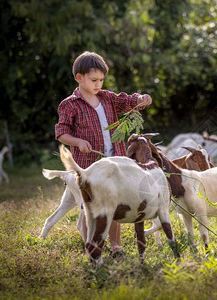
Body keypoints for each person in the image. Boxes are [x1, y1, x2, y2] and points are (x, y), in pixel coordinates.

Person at [55, 51, 152, 257]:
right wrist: (78, 141)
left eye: (101, 80)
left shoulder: (107, 98)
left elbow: (126, 101)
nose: (98, 84)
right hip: (88, 166)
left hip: (112, 161)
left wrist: (141, 99)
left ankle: (116, 247)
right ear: (79, 78)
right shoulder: (70, 104)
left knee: (114, 204)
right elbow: (61, 133)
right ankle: (92, 246)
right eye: (94, 80)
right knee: (90, 209)